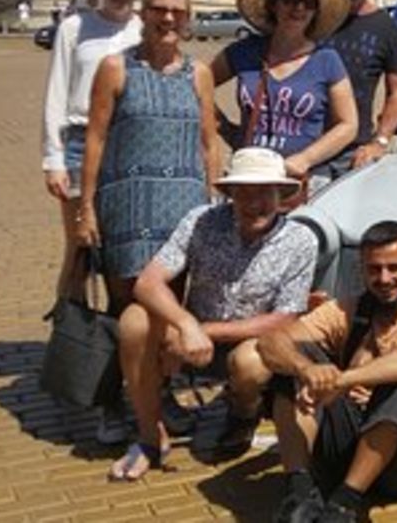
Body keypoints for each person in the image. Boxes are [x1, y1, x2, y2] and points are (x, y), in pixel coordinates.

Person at [107, 147, 318, 481]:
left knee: (251, 363)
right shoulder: (201, 220)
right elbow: (148, 283)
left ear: (281, 195)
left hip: (248, 341)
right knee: (134, 321)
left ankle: (242, 414)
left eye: (264, 192)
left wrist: (203, 332)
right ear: (229, 193)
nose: (254, 203)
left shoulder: (301, 240)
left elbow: (285, 318)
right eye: (244, 192)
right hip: (193, 329)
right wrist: (184, 324)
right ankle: (150, 436)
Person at [259, 221, 397, 522]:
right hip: (348, 446)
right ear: (362, 269)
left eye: (395, 268)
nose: (384, 278)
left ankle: (344, 504)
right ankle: (299, 492)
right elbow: (271, 341)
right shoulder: (349, 308)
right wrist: (306, 369)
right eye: (374, 269)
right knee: (292, 359)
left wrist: (343, 378)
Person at [77, 0, 219, 309]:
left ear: (187, 20)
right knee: (124, 302)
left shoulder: (199, 73)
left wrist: (214, 204)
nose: (168, 18)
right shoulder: (115, 68)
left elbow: (209, 143)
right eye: (159, 9)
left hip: (183, 209)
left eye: (177, 12)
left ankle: (164, 362)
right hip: (126, 206)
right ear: (142, 14)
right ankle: (123, 362)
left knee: (171, 301)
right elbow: (95, 138)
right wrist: (85, 208)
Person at [42, 0, 143, 305]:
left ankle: (117, 335)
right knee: (80, 244)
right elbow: (57, 91)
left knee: (122, 242)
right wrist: (53, 159)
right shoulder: (74, 28)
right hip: (80, 140)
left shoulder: (144, 29)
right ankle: (72, 340)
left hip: (129, 142)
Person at [211, 0, 357, 193]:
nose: (298, 7)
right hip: (251, 174)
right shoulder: (244, 52)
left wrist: (305, 159)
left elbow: (348, 125)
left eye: (308, 2)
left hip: (302, 180)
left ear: (315, 11)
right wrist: (224, 129)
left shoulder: (326, 60)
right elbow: (198, 87)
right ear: (273, 5)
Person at [324, 0, 397, 175]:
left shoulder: (385, 28)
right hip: (307, 146)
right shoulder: (313, 19)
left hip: (353, 152)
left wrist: (380, 141)